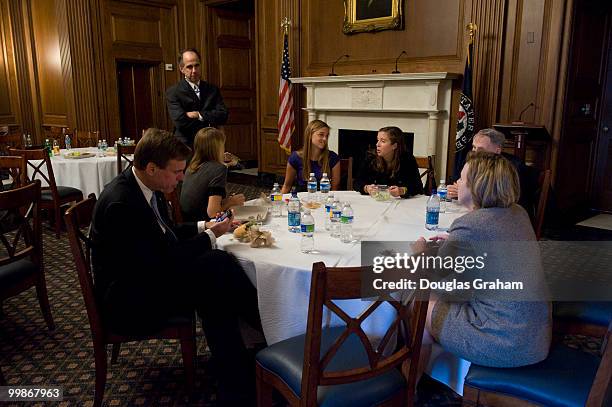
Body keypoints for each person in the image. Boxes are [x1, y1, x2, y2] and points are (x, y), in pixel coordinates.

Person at [90, 128, 260, 405]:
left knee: (215, 279)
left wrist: (206, 226)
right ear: (152, 167)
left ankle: (235, 370)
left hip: (146, 278)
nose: (182, 177)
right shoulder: (122, 203)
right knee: (216, 268)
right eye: (177, 171)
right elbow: (163, 260)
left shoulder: (146, 185)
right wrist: (210, 236)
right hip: (129, 302)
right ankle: (253, 339)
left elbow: (165, 233)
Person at [416, 151, 551, 369]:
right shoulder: (518, 212)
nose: (457, 182)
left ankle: (409, 384)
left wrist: (421, 253)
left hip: (502, 343)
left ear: (477, 186)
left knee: (418, 300)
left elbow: (438, 284)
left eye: (462, 178)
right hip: (535, 337)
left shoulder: (470, 224)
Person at [448, 128, 539, 217]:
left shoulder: (512, 168)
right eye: (474, 147)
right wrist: (457, 190)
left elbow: (509, 201)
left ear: (497, 150)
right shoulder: (472, 161)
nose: (475, 153)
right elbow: (457, 182)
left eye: (481, 149)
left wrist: (466, 192)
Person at [166, 48, 228, 147]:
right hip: (186, 145)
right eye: (189, 67)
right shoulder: (173, 92)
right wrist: (210, 119)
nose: (194, 70)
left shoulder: (212, 89)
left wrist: (198, 114)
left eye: (197, 65)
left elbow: (223, 115)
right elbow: (180, 121)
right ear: (181, 69)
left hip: (211, 144)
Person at [180, 127, 245, 221]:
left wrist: (226, 201)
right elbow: (212, 213)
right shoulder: (219, 169)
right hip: (203, 224)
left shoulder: (192, 167)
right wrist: (231, 201)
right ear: (218, 148)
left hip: (187, 222)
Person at [353, 126, 423, 198]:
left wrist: (402, 190)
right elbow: (357, 182)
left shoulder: (407, 159)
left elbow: (417, 187)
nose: (377, 144)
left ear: (394, 146)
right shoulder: (371, 157)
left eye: (383, 141)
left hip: (400, 203)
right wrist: (366, 188)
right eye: (378, 140)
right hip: (375, 201)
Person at [280, 119, 341, 193]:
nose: (325, 139)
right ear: (310, 135)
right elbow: (287, 186)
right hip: (300, 200)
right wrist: (278, 202)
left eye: (327, 136)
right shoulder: (295, 157)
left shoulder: (333, 157)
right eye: (321, 135)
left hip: (324, 199)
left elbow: (335, 189)